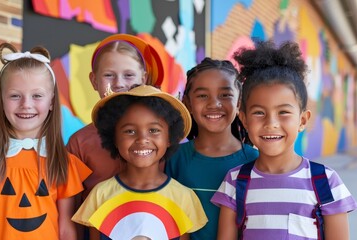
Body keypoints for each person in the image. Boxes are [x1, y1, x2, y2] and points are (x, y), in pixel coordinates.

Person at [211, 41, 357, 239]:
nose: (271, 123)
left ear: (302, 120)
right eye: (259, 113)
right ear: (244, 119)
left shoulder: (326, 182)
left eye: (283, 112)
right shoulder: (235, 182)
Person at [0, 43, 92, 240]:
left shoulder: (64, 163)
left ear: (51, 102)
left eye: (37, 95)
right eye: (15, 96)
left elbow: (66, 229)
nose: (26, 105)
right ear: (1, 100)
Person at [72, 85, 208, 240]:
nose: (142, 140)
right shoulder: (100, 194)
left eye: (154, 130)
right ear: (114, 138)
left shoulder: (184, 197)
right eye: (130, 131)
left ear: (169, 137)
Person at [165, 57, 259, 239]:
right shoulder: (173, 159)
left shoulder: (255, 161)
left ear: (239, 101)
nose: (214, 104)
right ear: (188, 103)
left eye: (225, 95)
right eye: (202, 95)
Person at [66, 34, 164, 200]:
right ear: (94, 81)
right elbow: (71, 206)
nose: (119, 83)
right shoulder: (79, 143)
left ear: (144, 79)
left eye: (129, 75)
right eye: (109, 75)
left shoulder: (163, 136)